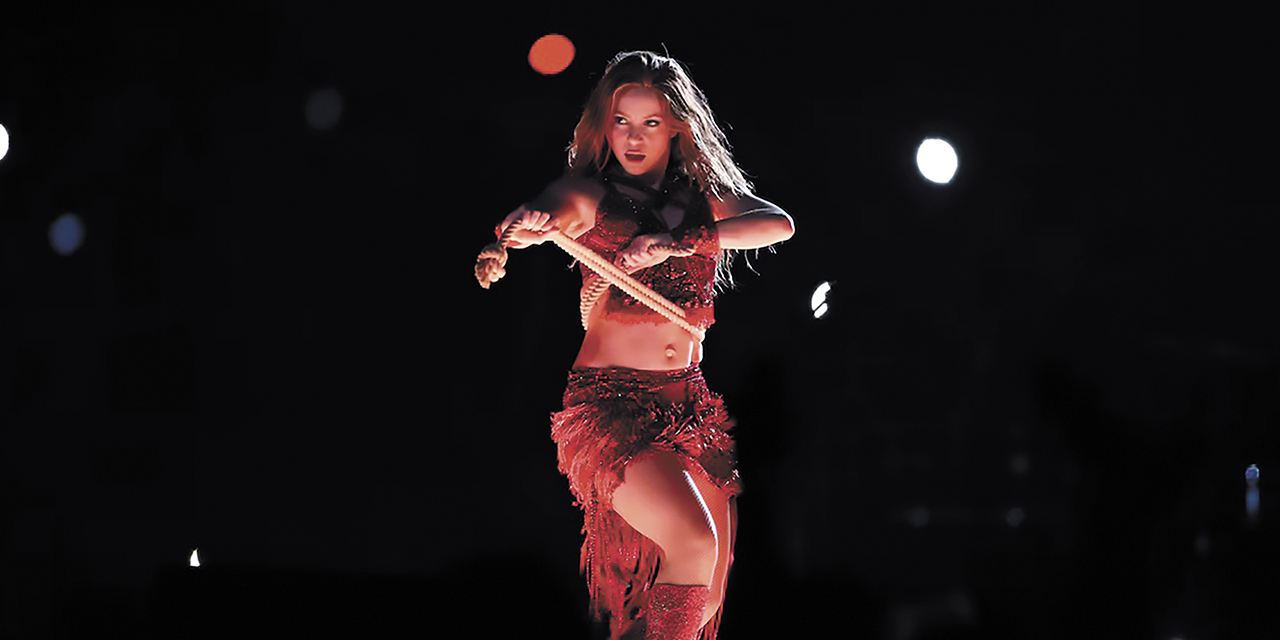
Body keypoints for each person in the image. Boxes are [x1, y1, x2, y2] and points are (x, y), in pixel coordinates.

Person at [490, 51, 794, 640]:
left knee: (702, 597)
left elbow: (776, 223)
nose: (633, 137)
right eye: (621, 122)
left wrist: (682, 241)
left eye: (651, 122)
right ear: (604, 124)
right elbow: (553, 210)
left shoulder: (699, 199)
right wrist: (528, 223)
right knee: (692, 541)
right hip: (612, 406)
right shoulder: (589, 195)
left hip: (690, 407)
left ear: (676, 126)